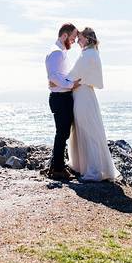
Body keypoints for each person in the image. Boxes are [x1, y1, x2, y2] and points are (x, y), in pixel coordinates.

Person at [66, 27, 119, 182]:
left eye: (80, 38)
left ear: (88, 39)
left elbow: (73, 75)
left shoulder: (87, 55)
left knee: (87, 131)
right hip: (85, 94)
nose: (77, 42)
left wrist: (57, 81)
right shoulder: (92, 53)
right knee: (86, 130)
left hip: (82, 95)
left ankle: (93, 171)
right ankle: (86, 167)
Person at [45, 23, 79, 180]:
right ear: (64, 35)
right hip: (59, 98)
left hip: (63, 97)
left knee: (63, 132)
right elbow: (53, 76)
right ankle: (57, 169)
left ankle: (55, 165)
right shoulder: (56, 52)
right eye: (72, 38)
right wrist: (71, 84)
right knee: (62, 133)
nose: (73, 41)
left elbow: (58, 76)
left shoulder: (61, 52)